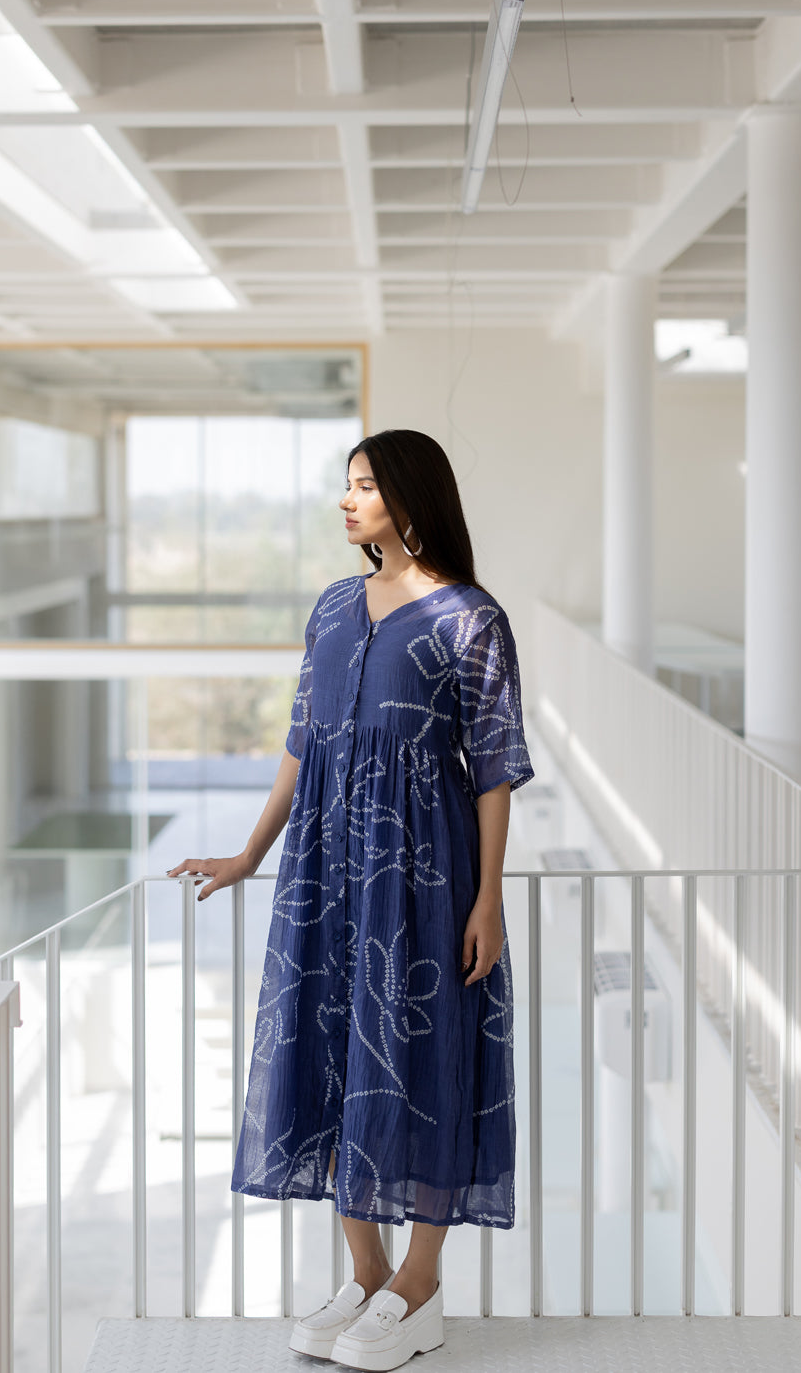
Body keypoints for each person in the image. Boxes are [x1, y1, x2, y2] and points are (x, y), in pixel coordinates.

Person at [167, 428, 533, 1370]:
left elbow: (492, 771)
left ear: (409, 499)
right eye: (346, 485)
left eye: (363, 486)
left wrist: (488, 896)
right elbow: (304, 740)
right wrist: (252, 851)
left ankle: (420, 1284)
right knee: (329, 1044)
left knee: (422, 1049)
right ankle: (365, 1274)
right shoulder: (333, 605)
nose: (346, 500)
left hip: (426, 867)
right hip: (327, 867)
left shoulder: (470, 618)